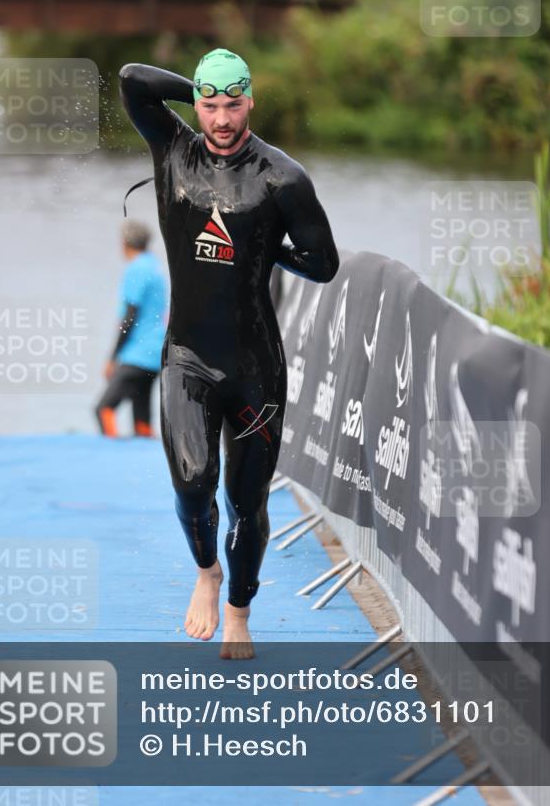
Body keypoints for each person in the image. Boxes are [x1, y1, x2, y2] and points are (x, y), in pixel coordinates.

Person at [119, 49, 339, 659]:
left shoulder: (282, 178)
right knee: (192, 484)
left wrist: (265, 249)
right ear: (197, 104)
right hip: (187, 357)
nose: (220, 118)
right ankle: (207, 574)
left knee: (247, 502)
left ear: (251, 100)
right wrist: (200, 84)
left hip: (254, 366)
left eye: (232, 103)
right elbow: (133, 79)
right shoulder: (173, 149)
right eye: (210, 104)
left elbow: (324, 263)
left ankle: (239, 612)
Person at [95, 219, 168, 438]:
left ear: (125, 243)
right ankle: (143, 453)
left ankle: (109, 456)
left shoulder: (136, 269)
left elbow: (129, 317)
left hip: (137, 353)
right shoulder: (155, 267)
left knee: (104, 409)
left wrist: (113, 357)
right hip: (156, 352)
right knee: (141, 415)